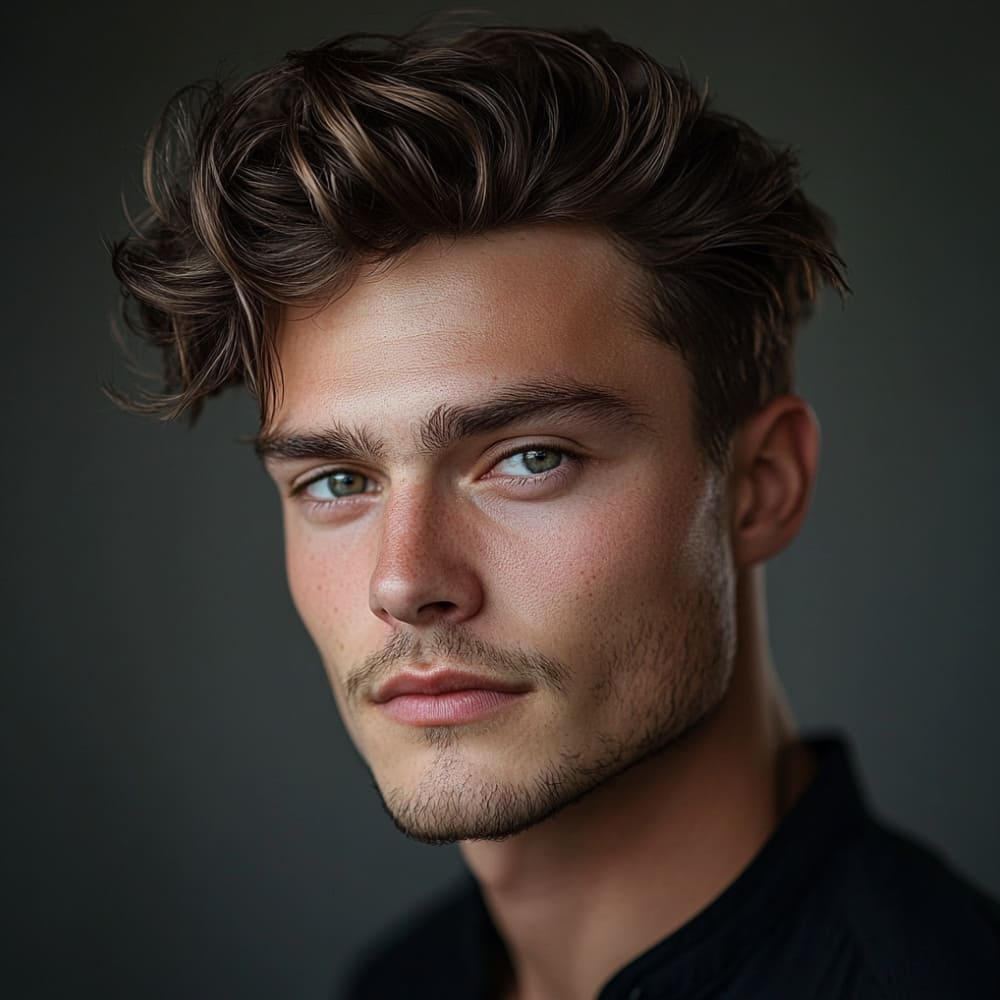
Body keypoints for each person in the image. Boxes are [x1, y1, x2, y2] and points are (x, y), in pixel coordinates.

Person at [110, 21, 1000, 1000]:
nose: (404, 580)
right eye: (336, 480)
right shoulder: (394, 985)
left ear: (760, 487)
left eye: (529, 459)